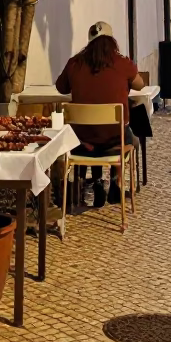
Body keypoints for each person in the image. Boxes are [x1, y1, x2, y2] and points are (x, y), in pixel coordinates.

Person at [55, 21, 144, 207]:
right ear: (111, 42)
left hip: (82, 142)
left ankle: (96, 182)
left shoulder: (75, 63)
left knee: (93, 132)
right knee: (129, 137)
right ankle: (115, 183)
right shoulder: (122, 63)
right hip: (113, 142)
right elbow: (140, 84)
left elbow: (61, 87)